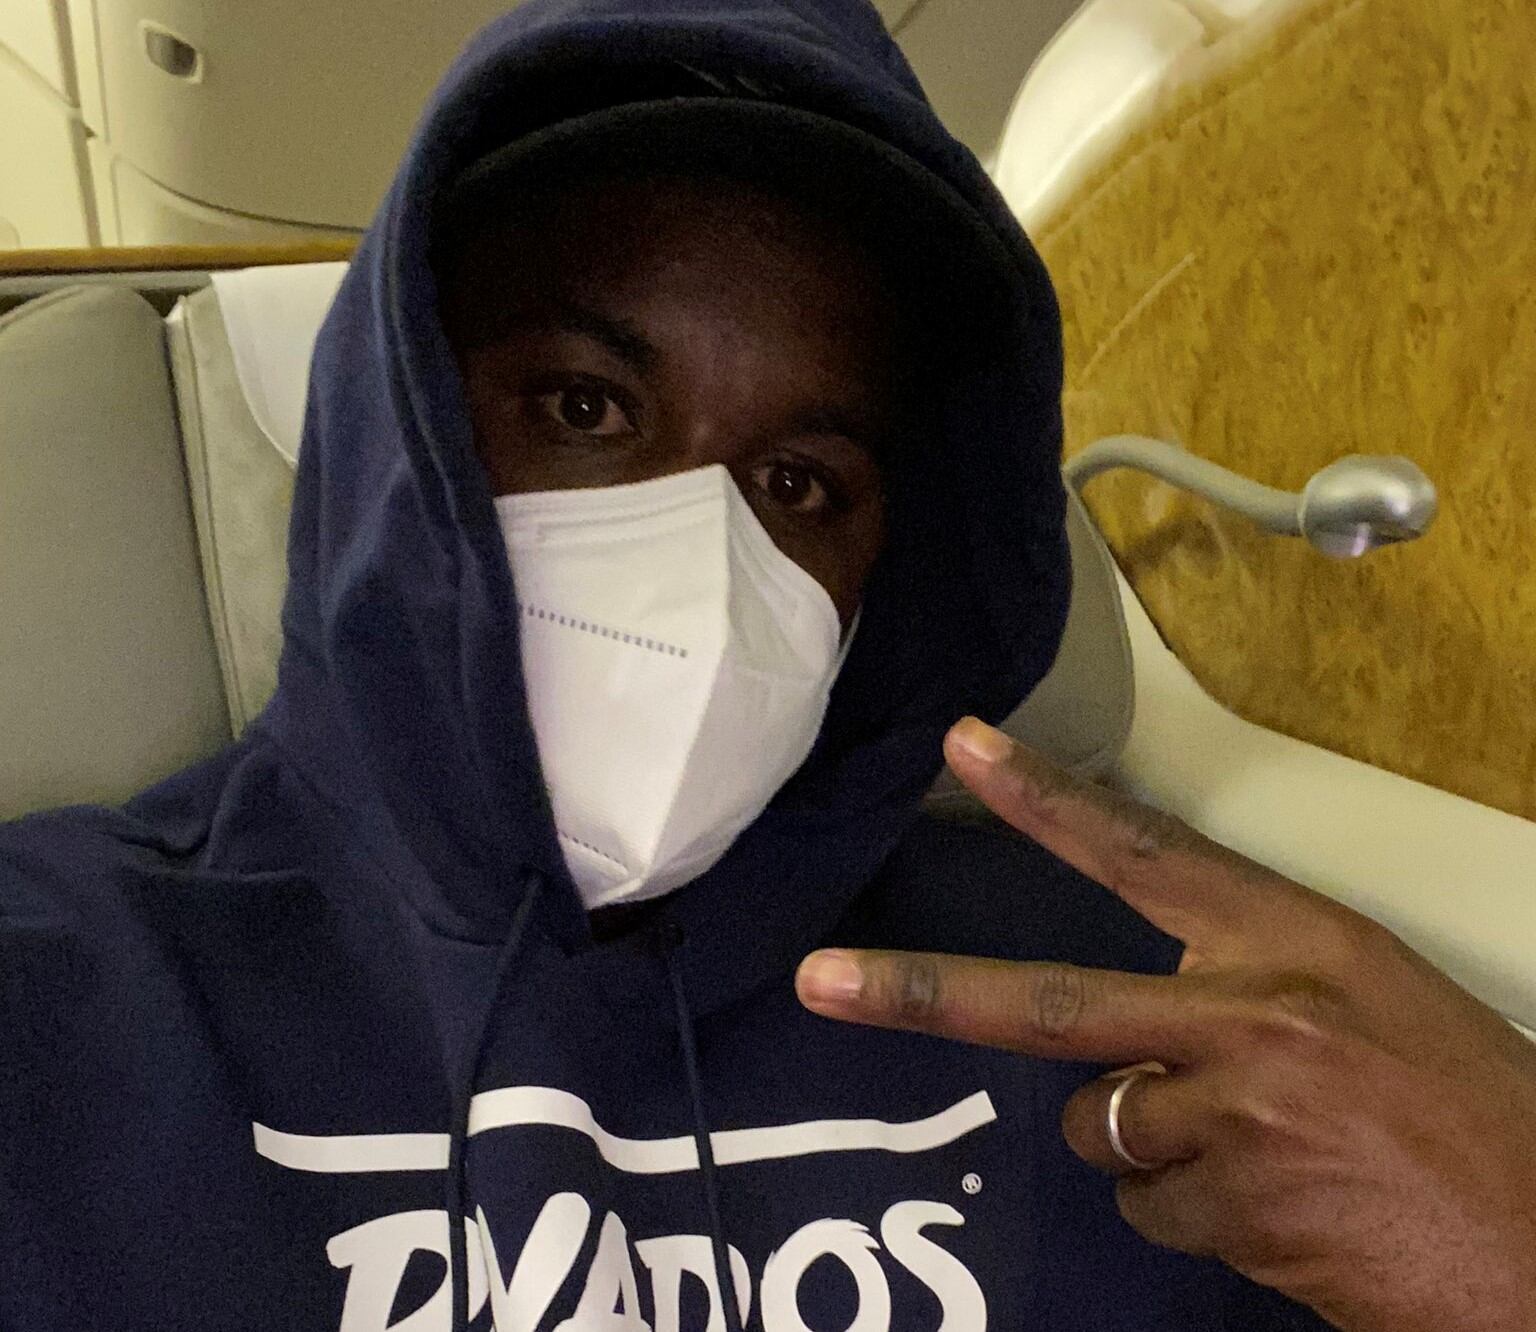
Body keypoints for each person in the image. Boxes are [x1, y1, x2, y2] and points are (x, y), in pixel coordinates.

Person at [1, 0, 1532, 1329]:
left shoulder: (1147, 1012)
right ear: (402, 424)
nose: (698, 558)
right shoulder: (62, 993)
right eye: (587, 407)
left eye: (801, 483)